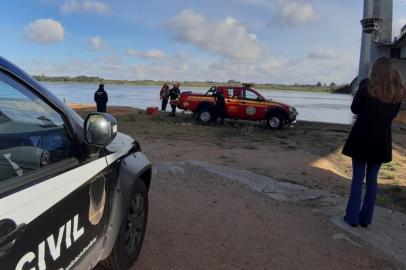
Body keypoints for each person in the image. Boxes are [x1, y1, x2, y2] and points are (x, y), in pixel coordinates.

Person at [342, 56, 405, 228]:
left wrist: (362, 92)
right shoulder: (398, 91)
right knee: (372, 179)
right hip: (381, 141)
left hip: (362, 139)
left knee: (357, 178)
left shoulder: (367, 86)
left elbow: (354, 108)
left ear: (375, 70)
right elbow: (391, 116)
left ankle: (352, 217)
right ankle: (366, 219)